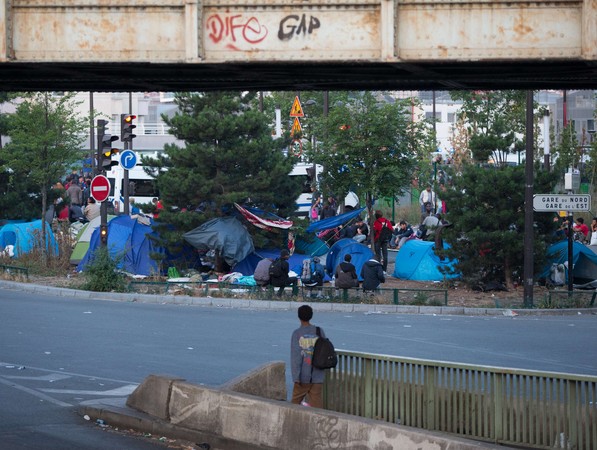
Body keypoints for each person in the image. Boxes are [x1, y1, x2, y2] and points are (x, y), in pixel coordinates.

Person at [290, 305, 326, 408]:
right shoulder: (319, 331)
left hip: (302, 377)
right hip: (318, 375)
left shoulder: (297, 334)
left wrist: (296, 377)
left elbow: (296, 357)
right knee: (317, 407)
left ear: (299, 317)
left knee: (294, 406)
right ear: (311, 315)